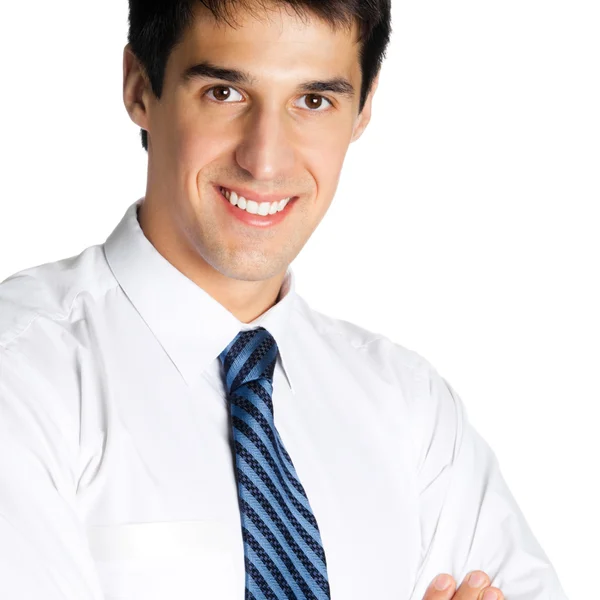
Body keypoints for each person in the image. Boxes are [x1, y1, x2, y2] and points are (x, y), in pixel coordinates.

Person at [0, 1, 568, 599]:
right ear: (141, 88)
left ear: (362, 109)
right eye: (224, 93)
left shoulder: (411, 410)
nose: (264, 160)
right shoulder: (23, 375)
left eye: (314, 101)